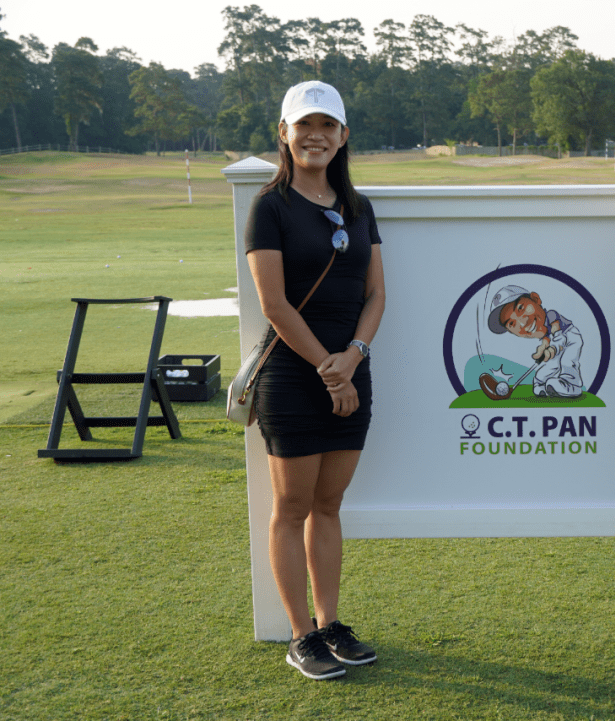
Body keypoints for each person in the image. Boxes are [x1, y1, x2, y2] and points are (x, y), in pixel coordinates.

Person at [245, 80, 386, 681]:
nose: (316, 136)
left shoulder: (358, 207)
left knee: (328, 505)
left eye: (327, 125)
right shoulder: (270, 207)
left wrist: (352, 357)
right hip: (293, 378)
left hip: (351, 372)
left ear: (343, 135)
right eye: (304, 125)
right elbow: (274, 304)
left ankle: (330, 625)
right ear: (284, 133)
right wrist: (331, 372)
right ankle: (300, 635)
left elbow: (376, 295)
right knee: (292, 506)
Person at [487, 285, 584, 398]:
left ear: (535, 299)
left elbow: (560, 338)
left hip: (570, 338)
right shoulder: (543, 332)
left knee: (567, 362)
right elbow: (547, 339)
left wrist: (553, 348)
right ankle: (540, 385)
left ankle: (572, 385)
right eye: (512, 323)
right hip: (554, 343)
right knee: (547, 367)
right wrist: (542, 349)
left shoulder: (552, 315)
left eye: (520, 308)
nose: (523, 323)